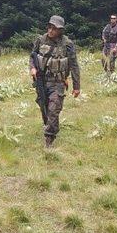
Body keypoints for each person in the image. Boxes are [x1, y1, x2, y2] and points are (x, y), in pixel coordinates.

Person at [29, 15, 81, 148]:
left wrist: (76, 87)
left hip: (58, 82)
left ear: (60, 30)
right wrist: (33, 68)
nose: (51, 30)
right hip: (42, 80)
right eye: (49, 27)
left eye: (54, 28)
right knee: (44, 107)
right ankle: (48, 125)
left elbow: (74, 65)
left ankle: (49, 138)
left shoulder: (67, 44)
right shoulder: (40, 40)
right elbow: (32, 56)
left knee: (54, 108)